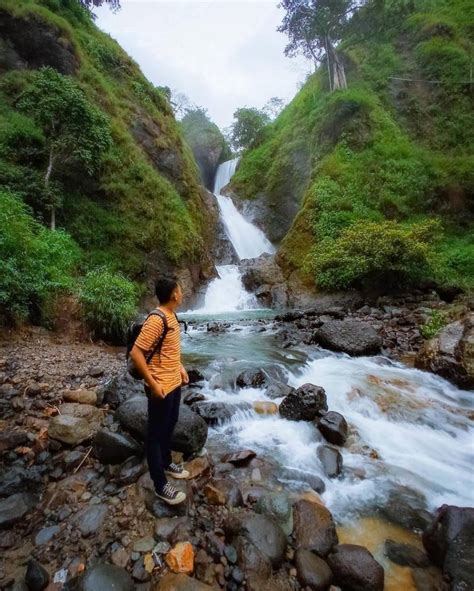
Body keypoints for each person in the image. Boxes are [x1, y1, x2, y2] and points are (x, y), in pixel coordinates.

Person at [130, 276, 190, 505]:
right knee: (154, 434)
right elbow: (137, 353)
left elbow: (169, 349)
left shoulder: (172, 315)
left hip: (174, 381)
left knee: (171, 421)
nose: (182, 292)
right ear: (174, 294)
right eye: (180, 289)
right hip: (160, 386)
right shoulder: (156, 319)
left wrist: (181, 368)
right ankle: (159, 485)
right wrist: (153, 384)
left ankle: (166, 462)